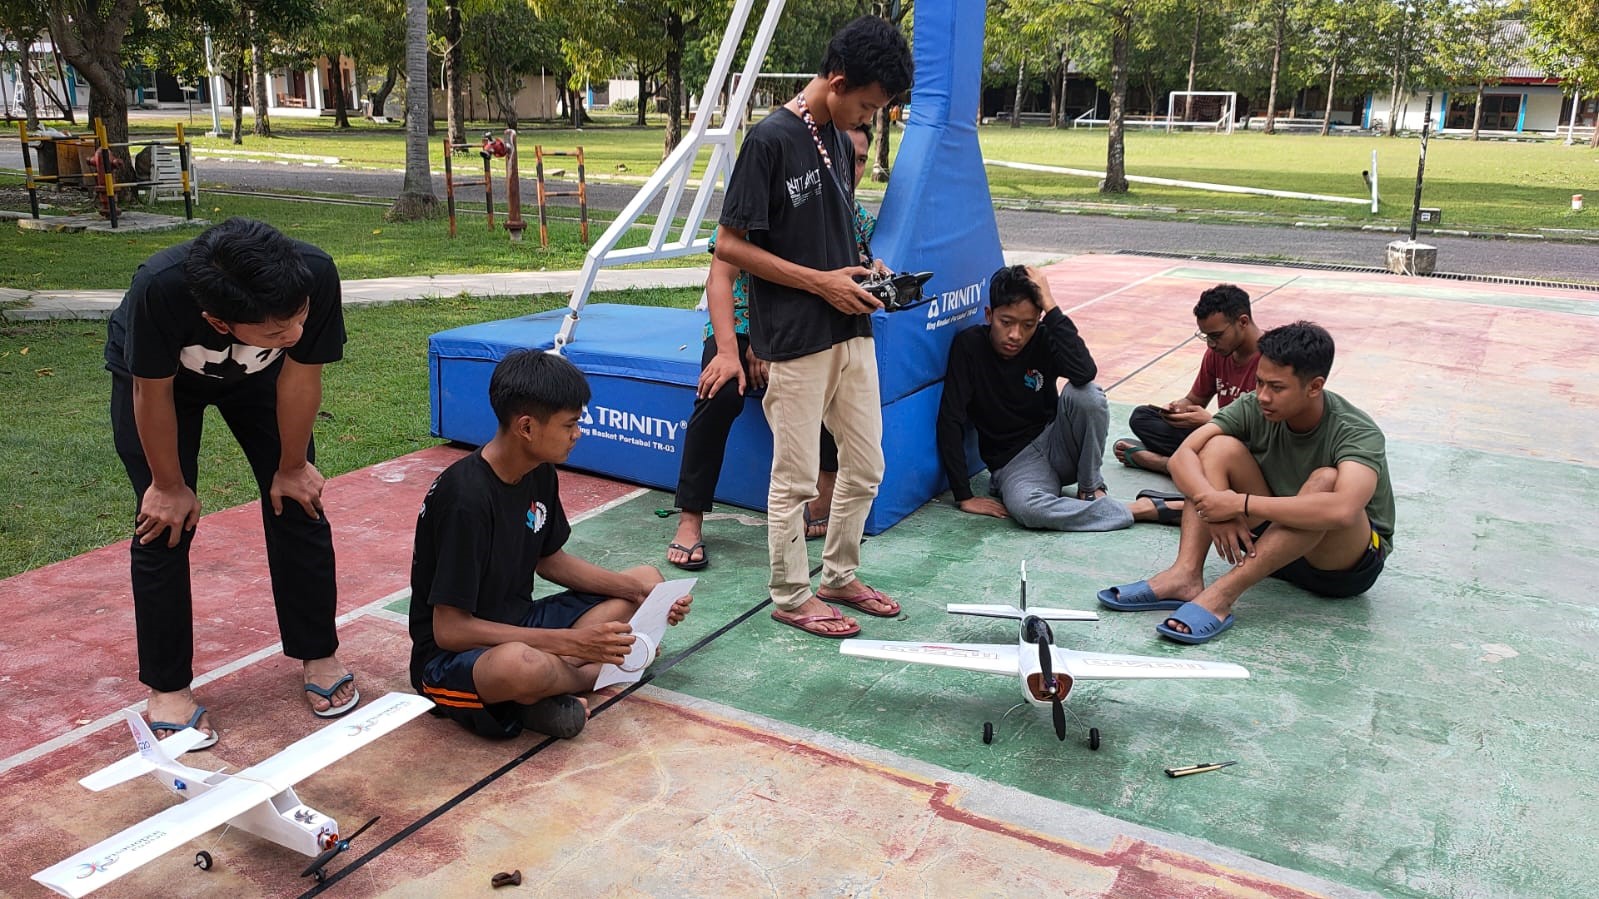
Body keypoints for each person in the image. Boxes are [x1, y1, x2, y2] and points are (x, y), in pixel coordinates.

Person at [105, 218, 357, 749]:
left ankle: (319, 650)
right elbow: (151, 395)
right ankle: (168, 687)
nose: (293, 334)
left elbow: (301, 373)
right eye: (276, 330)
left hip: (262, 379)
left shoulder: (311, 274)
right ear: (218, 322)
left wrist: (291, 467)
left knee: (300, 500)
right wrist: (169, 486)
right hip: (162, 384)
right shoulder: (160, 287)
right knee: (162, 523)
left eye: (299, 319)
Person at [714, 16, 913, 638]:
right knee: (796, 477)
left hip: (851, 330)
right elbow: (729, 247)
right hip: (796, 337)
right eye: (868, 104)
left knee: (867, 465)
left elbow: (830, 232)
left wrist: (864, 268)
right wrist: (820, 282)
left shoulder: (834, 137)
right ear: (838, 80)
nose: (869, 119)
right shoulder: (771, 139)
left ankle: (839, 575)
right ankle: (790, 592)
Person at [409, 350, 692, 739]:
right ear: (526, 427)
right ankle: (585, 675)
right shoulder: (465, 499)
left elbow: (549, 560)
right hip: (454, 658)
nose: (578, 433)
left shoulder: (539, 470)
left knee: (646, 577)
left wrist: (641, 591)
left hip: (521, 623)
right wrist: (575, 642)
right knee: (519, 667)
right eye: (570, 424)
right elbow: (450, 631)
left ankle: (542, 693)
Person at [1096, 322, 1395, 645]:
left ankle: (1221, 595)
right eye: (1260, 382)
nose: (1263, 396)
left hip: (1340, 566)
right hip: (1274, 546)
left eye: (1277, 388)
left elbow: (1343, 510)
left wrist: (1238, 504)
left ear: (1314, 386)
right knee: (1218, 448)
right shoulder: (1255, 405)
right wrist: (1214, 504)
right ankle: (1184, 576)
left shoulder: (1355, 430)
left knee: (1326, 481)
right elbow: (1184, 455)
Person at [666, 125, 879, 571]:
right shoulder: (774, 192)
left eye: (861, 160)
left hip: (801, 330)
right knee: (718, 393)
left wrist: (873, 271)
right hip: (741, 325)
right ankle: (690, 518)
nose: (852, 169)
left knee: (833, 379)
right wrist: (731, 351)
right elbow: (720, 278)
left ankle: (822, 497)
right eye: (846, 157)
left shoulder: (854, 216)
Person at [937, 265, 1184, 531]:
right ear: (989, 315)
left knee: (1087, 394)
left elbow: (1085, 372)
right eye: (1006, 322)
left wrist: (1051, 306)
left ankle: (1090, 488)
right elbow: (950, 419)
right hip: (1016, 464)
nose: (1015, 335)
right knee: (1028, 509)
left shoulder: (1043, 338)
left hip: (1058, 443)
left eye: (1027, 324)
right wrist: (964, 495)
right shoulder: (970, 346)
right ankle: (1142, 509)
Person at [1115, 284, 1261, 476]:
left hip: (1249, 443)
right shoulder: (1217, 353)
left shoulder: (1270, 360)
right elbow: (1194, 400)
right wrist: (1178, 408)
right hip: (1215, 433)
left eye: (1216, 336)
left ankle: (1166, 464)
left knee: (1236, 450)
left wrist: (1210, 422)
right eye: (1206, 336)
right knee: (1142, 416)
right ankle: (1195, 465)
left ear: (1243, 322)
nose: (1211, 343)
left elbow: (1266, 434)